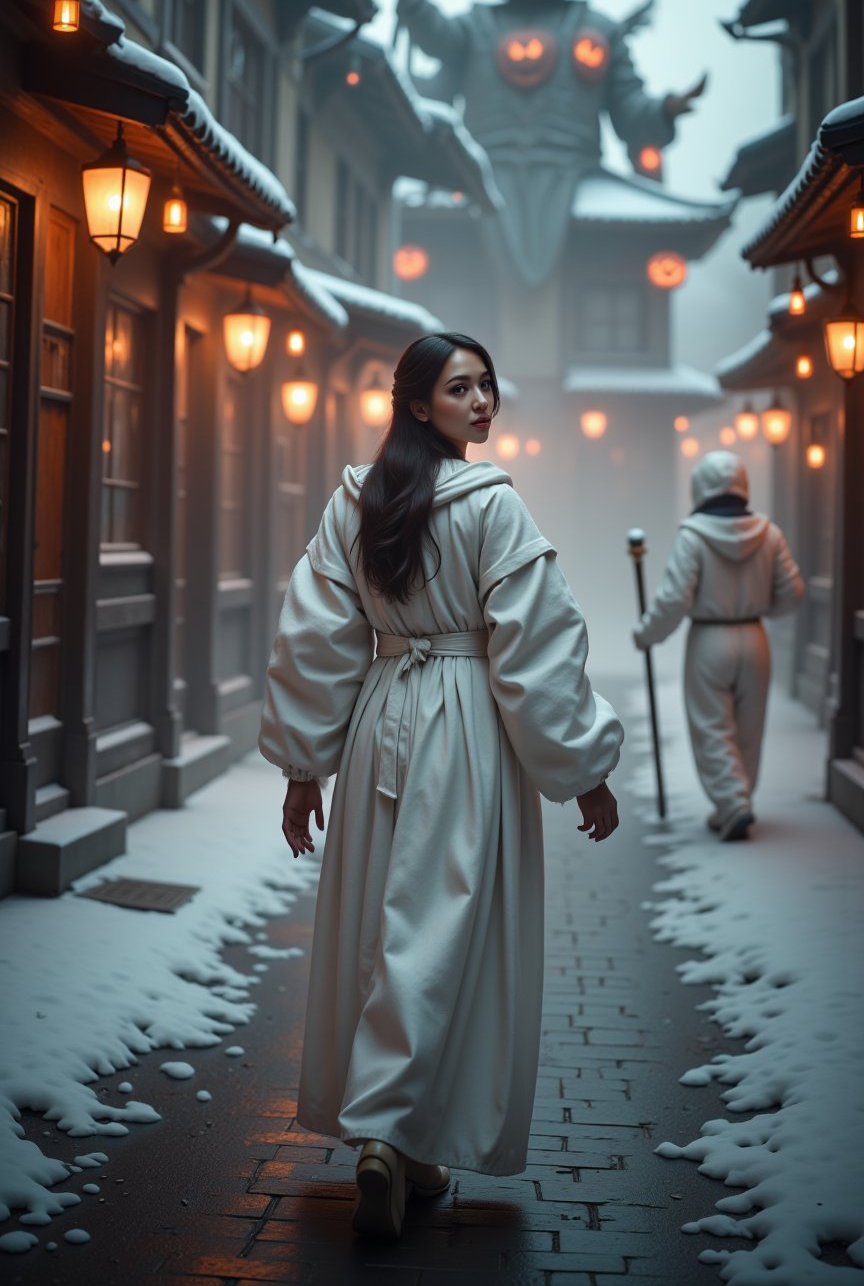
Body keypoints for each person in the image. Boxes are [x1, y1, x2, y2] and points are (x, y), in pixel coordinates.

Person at [259, 331, 623, 1239]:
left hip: (384, 710)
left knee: (387, 924)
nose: (483, 402)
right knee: (444, 934)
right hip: (467, 725)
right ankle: (392, 1131)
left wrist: (308, 765)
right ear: (418, 404)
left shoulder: (360, 500)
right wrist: (582, 770)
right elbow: (535, 647)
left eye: (488, 385)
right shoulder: (493, 508)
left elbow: (314, 637)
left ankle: (404, 1146)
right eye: (461, 388)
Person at [632, 449, 804, 841]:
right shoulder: (769, 533)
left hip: (709, 637)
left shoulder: (693, 535)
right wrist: (762, 607)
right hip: (754, 636)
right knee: (748, 726)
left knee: (712, 726)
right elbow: (793, 593)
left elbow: (674, 599)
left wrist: (648, 634)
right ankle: (737, 800)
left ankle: (732, 803)